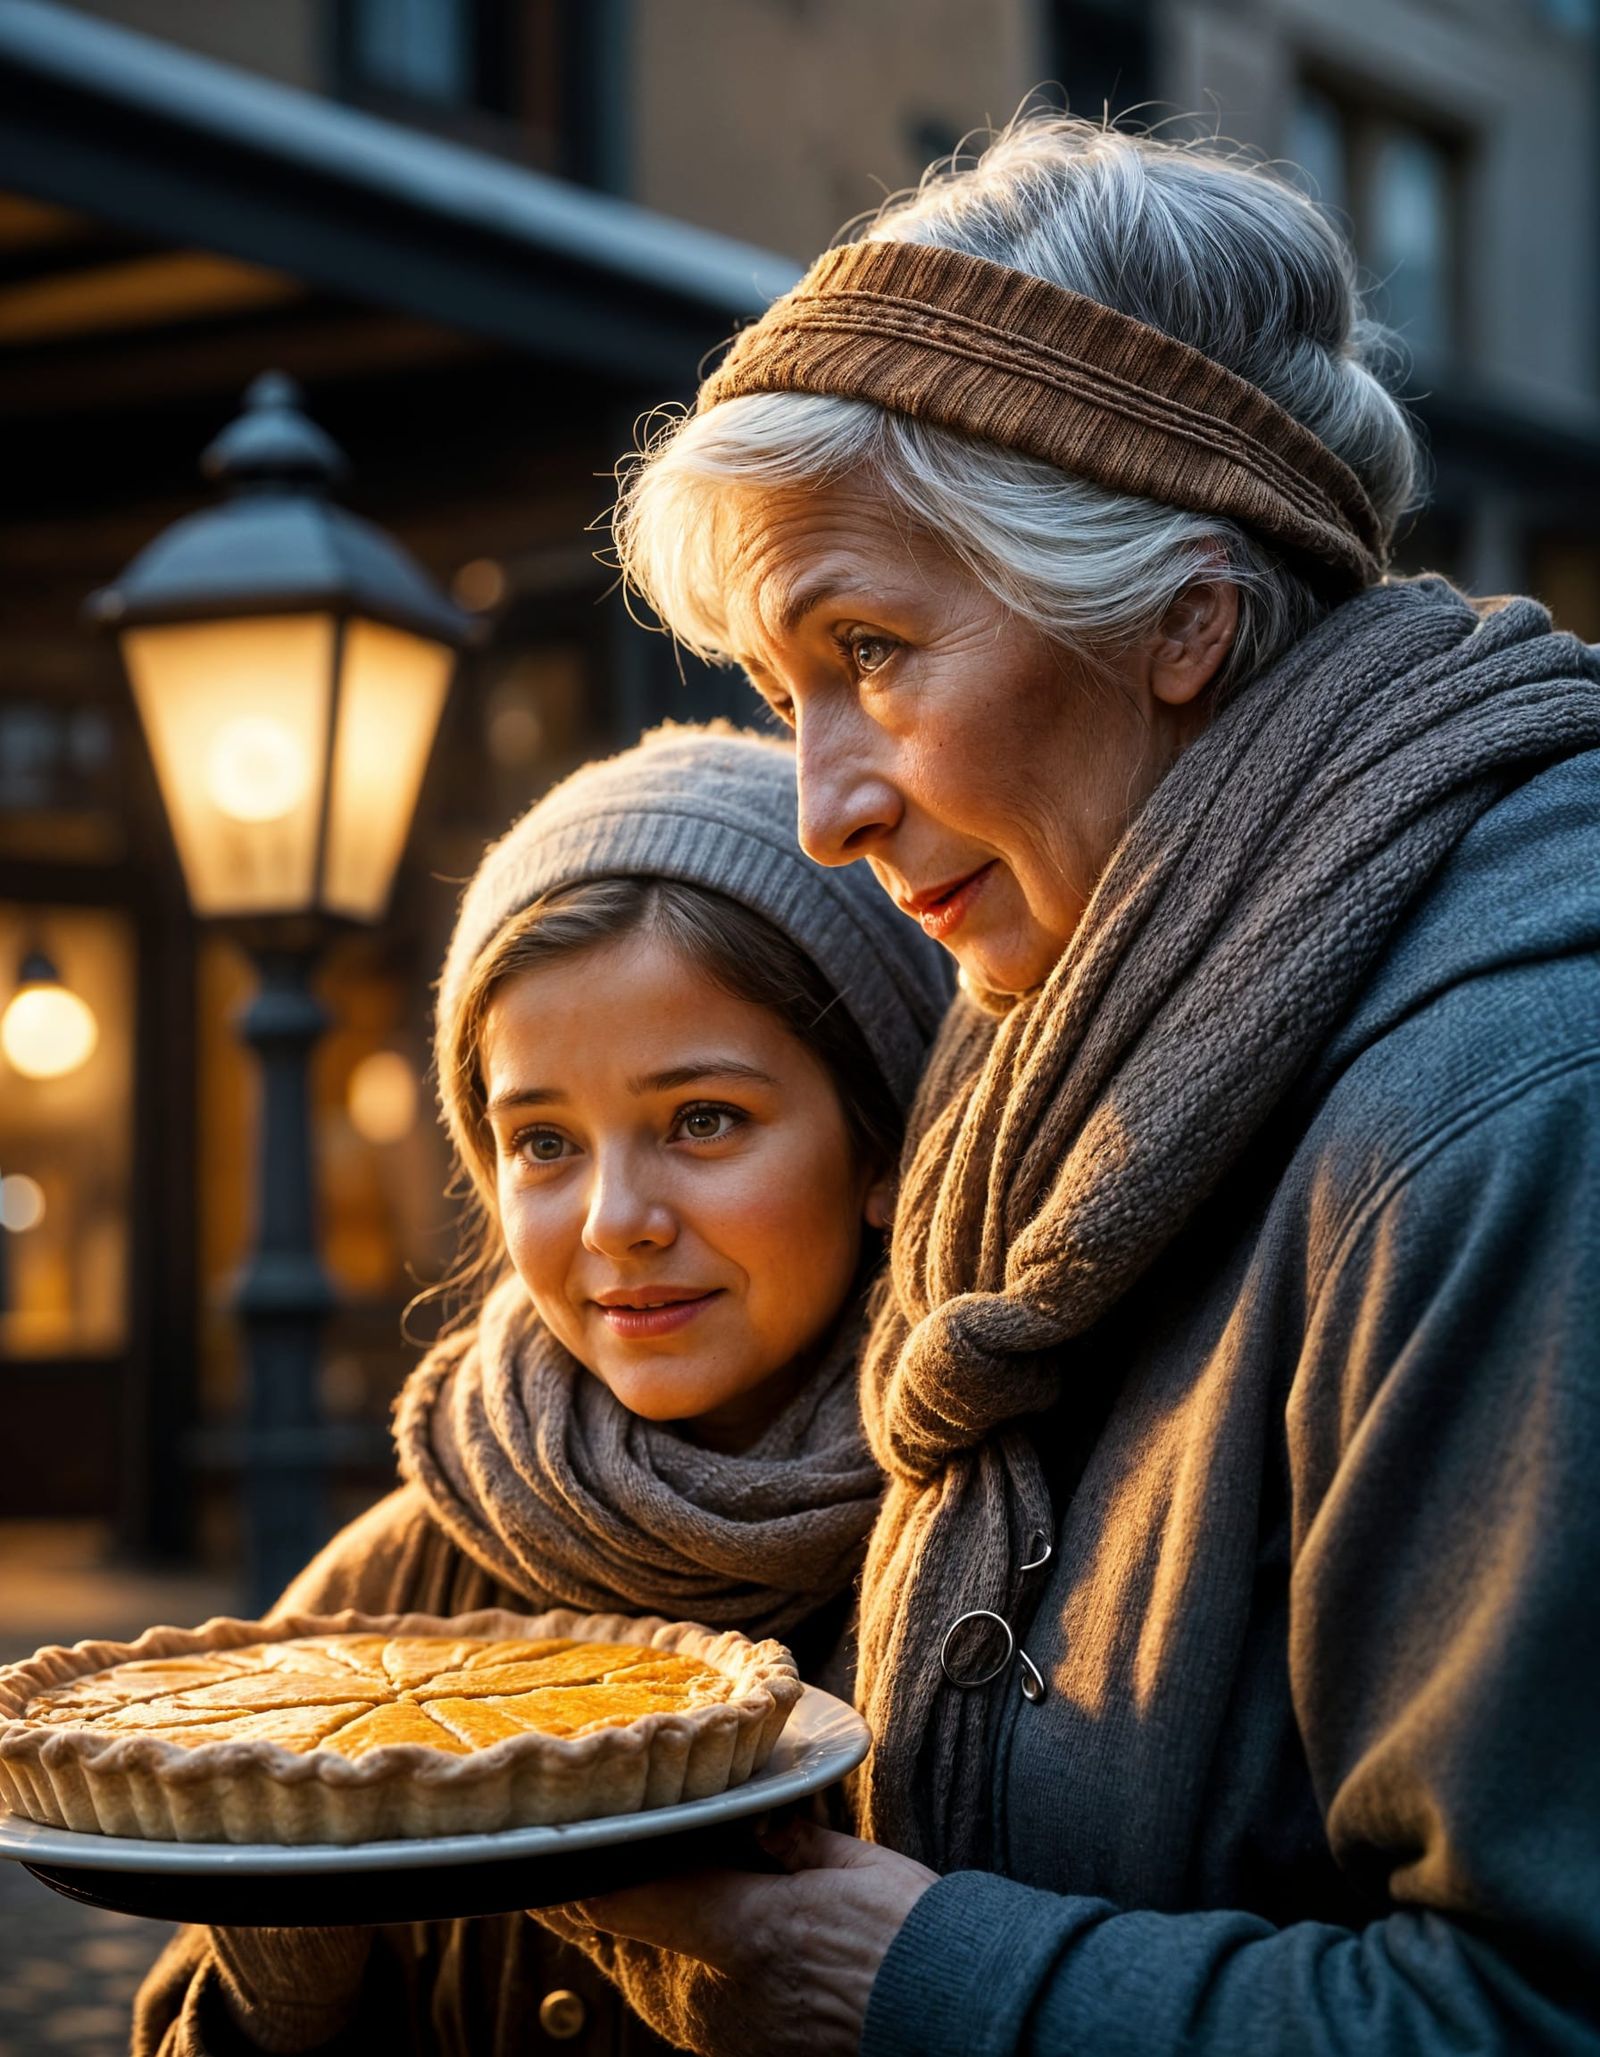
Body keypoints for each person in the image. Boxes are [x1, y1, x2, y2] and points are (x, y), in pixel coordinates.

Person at [560, 114, 1600, 2054]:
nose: (823, 804)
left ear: (1177, 618)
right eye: (785, 696)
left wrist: (901, 1979)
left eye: (868, 650)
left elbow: (1531, 2009)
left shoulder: (1495, 1107)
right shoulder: (1052, 1046)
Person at [131, 722, 952, 2057]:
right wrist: (284, 1942)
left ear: (880, 1143)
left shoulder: (1008, 1550)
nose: (615, 1220)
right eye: (544, 1142)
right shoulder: (386, 1597)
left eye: (704, 1119)